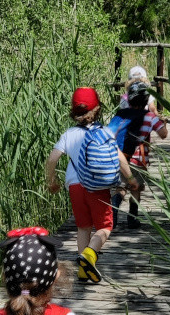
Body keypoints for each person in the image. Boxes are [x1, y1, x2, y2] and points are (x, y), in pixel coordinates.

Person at [45, 87, 138, 283]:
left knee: (83, 227)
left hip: (75, 186)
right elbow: (120, 157)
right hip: (97, 187)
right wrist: (130, 179)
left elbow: (52, 159)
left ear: (73, 111)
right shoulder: (104, 132)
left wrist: (51, 181)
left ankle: (83, 270)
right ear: (97, 110)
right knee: (105, 226)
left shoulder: (69, 134)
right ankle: (89, 254)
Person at [109, 81, 168, 229]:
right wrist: (164, 123)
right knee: (136, 188)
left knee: (121, 187)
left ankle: (114, 209)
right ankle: (132, 218)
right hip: (138, 159)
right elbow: (163, 134)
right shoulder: (149, 116)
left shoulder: (121, 114)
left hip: (120, 157)